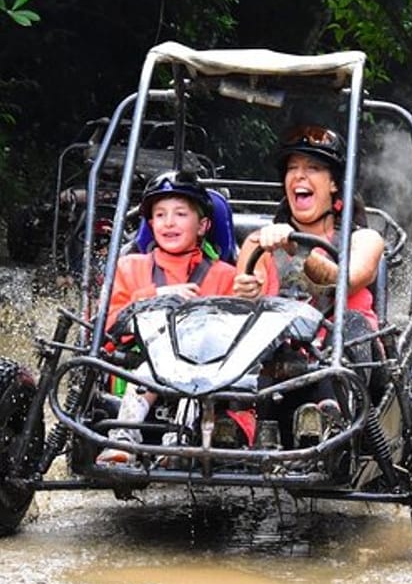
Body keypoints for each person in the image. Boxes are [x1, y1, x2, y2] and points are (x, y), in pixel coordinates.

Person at [232, 124, 386, 445]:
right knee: (253, 328)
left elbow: (349, 279)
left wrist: (300, 250)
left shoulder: (364, 239)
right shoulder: (259, 243)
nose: (299, 176)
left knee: (354, 322)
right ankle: (234, 424)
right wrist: (247, 292)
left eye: (312, 168)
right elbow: (247, 299)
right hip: (280, 372)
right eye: (293, 169)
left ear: (333, 185)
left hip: (351, 367)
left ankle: (335, 415)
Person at [96, 170, 237, 465]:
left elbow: (237, 335)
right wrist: (155, 295)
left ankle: (179, 441)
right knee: (148, 373)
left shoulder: (225, 276)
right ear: (150, 224)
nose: (169, 222)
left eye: (180, 214)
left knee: (197, 379)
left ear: (203, 225)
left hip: (206, 371)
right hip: (144, 363)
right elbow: (109, 329)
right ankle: (123, 438)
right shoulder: (129, 268)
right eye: (160, 215)